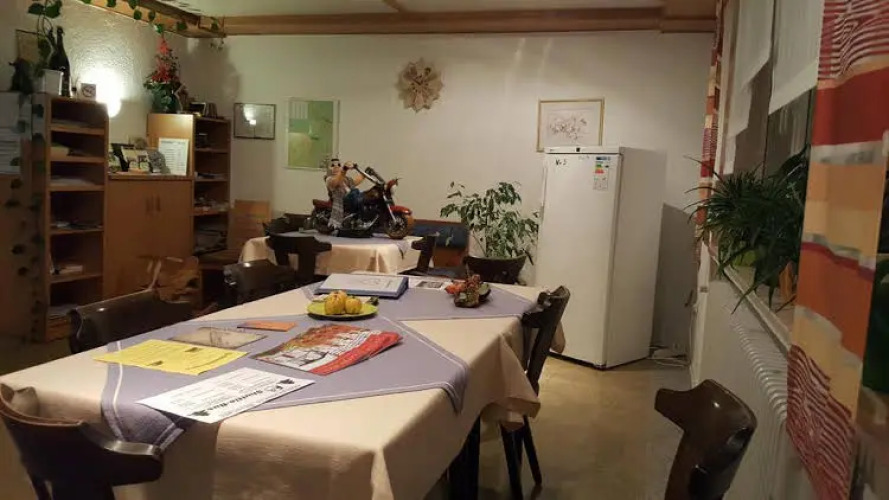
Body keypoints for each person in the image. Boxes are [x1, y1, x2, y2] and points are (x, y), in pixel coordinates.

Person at [324, 159, 365, 228]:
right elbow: (336, 182)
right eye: (332, 165)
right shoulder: (329, 179)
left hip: (350, 198)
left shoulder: (346, 178)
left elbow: (355, 182)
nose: (336, 167)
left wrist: (364, 174)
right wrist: (344, 169)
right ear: (329, 169)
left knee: (364, 196)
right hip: (341, 200)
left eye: (339, 165)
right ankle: (360, 219)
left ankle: (362, 218)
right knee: (355, 191)